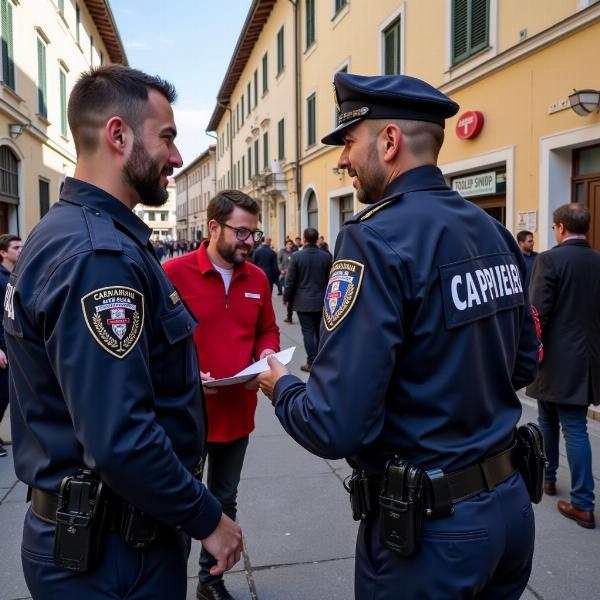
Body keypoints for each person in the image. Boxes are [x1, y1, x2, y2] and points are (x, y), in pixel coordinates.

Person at [257, 72, 539, 599]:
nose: (342, 160)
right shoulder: (493, 232)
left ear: (388, 142)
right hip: (510, 510)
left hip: (433, 534)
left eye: (348, 142)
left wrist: (284, 389)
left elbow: (336, 424)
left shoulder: (374, 238)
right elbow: (523, 364)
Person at [3, 65, 242, 600]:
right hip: (112, 554)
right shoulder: (98, 256)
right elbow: (120, 439)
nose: (177, 158)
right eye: (168, 137)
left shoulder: (64, 233)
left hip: (96, 541)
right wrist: (209, 518)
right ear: (118, 134)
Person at [164, 190, 279, 600]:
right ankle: (167, 583)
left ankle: (210, 581)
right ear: (214, 227)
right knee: (177, 504)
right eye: (242, 232)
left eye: (255, 233)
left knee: (224, 498)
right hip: (185, 416)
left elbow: (267, 328)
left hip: (237, 411)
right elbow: (155, 341)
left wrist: (266, 353)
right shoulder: (174, 273)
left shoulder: (259, 278)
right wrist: (186, 373)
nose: (249, 241)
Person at [526, 203, 599, 529]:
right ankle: (549, 477)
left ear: (559, 227)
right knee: (566, 424)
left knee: (558, 423)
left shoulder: (550, 259)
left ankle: (580, 501)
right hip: (587, 358)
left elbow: (537, 312)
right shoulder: (598, 261)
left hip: (555, 358)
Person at [283, 228, 331, 372]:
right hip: (322, 300)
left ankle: (311, 362)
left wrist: (287, 298)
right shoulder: (326, 256)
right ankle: (320, 361)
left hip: (303, 302)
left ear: (304, 239)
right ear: (317, 239)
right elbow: (331, 280)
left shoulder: (297, 257)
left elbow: (290, 281)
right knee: (319, 331)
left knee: (308, 332)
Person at [0, 233, 22, 458]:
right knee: (2, 395)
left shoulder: (13, 275)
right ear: (3, 253)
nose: (20, 250)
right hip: (1, 346)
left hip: (9, 342)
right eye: (15, 248)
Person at [278, 239, 296, 323]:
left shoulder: (295, 253)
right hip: (284, 275)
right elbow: (279, 262)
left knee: (290, 295)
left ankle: (289, 315)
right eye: (289, 244)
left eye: (291, 244)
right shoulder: (282, 252)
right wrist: (281, 269)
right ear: (286, 245)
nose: (290, 245)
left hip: (293, 276)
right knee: (287, 291)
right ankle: (289, 314)